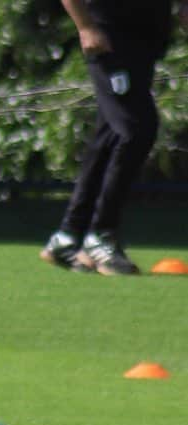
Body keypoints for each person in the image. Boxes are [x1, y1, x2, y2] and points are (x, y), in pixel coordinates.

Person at [40, 0, 174, 275]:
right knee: (136, 129)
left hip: (145, 40)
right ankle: (101, 235)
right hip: (108, 38)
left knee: (111, 133)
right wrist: (86, 26)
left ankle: (68, 237)